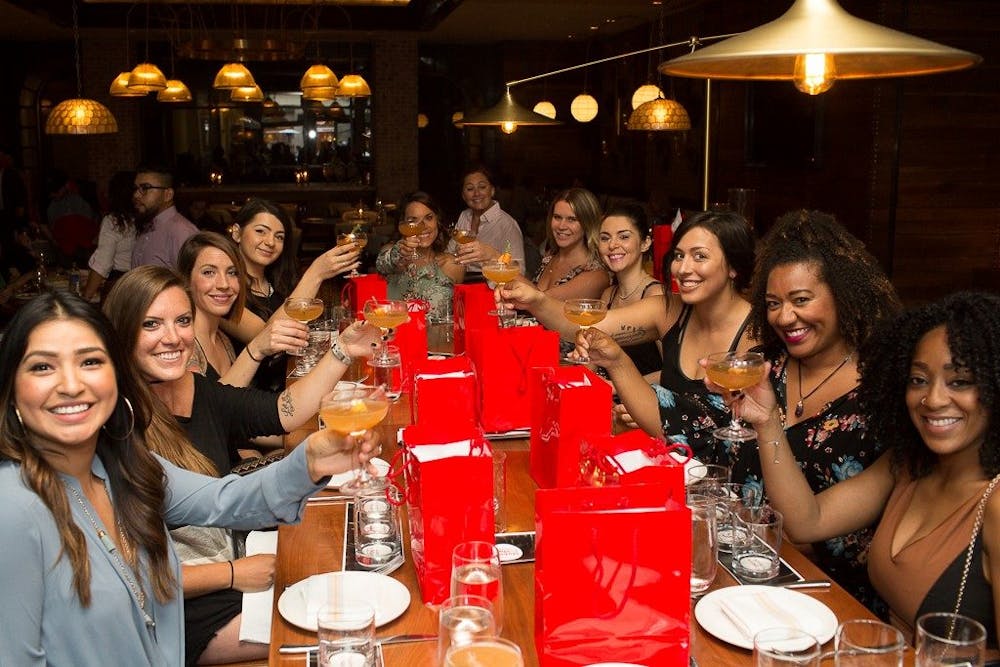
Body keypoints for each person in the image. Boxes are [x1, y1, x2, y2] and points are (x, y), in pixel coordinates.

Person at [0, 290, 379, 666]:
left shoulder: (119, 462)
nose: (70, 384)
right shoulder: (14, 507)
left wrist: (309, 461)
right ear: (12, 389)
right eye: (42, 367)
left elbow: (226, 499)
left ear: (115, 377)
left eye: (90, 362)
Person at [102, 266, 381, 663]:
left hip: (232, 556)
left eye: (182, 321)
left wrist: (341, 352)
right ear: (120, 334)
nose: (173, 337)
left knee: (344, 578)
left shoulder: (192, 387)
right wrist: (234, 573)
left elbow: (281, 415)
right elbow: (127, 576)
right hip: (180, 608)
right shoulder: (116, 427)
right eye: (151, 324)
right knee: (344, 624)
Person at [719, 291, 1000, 647]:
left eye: (959, 381)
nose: (933, 399)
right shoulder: (909, 466)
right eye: (918, 380)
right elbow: (808, 521)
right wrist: (766, 422)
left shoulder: (995, 503)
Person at [725, 208, 902, 615]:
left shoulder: (885, 392)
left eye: (801, 300)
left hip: (836, 603)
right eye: (773, 303)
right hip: (753, 575)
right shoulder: (766, 366)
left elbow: (809, 522)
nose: (785, 317)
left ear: (842, 294)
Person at [500, 209, 756, 462]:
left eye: (700, 256)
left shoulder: (756, 333)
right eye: (679, 256)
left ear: (733, 267)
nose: (683, 268)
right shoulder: (669, 310)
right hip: (673, 469)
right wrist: (536, 300)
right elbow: (588, 326)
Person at [222, 198, 361, 391]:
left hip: (294, 382)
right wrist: (316, 273)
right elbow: (266, 337)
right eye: (260, 231)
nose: (270, 242)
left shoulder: (278, 280)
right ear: (237, 233)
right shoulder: (222, 291)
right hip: (255, 397)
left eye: (279, 237)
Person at [176, 231, 307, 387]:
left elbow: (239, 403)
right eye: (209, 272)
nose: (224, 284)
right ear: (186, 280)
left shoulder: (223, 340)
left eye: (232, 273)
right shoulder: (181, 346)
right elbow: (207, 408)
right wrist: (256, 349)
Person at [596, 203, 664, 380]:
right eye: (605, 238)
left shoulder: (656, 295)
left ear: (645, 243)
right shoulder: (608, 294)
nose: (612, 245)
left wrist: (616, 387)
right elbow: (593, 356)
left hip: (644, 401)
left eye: (624, 237)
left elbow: (675, 372)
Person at [375, 191, 465, 320]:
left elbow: (458, 315)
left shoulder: (453, 265)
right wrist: (400, 253)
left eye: (429, 218)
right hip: (396, 337)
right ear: (402, 225)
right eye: (413, 220)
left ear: (437, 221)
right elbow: (383, 264)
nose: (423, 227)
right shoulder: (392, 252)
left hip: (438, 339)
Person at [531, 187, 610, 301]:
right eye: (557, 217)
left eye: (572, 219)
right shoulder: (550, 256)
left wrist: (500, 263)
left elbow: (540, 302)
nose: (561, 226)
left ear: (587, 223)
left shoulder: (596, 275)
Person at [452, 165, 525, 278]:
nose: (476, 193)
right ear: (463, 195)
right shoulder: (464, 216)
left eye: (482, 187)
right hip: (462, 282)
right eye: (470, 189)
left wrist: (492, 256)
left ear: (492, 191)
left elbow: (519, 271)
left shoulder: (507, 224)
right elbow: (450, 252)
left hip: (492, 287)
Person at [82, 170, 137, 302]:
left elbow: (103, 263)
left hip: (119, 286)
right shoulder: (145, 219)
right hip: (140, 285)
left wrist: (85, 299)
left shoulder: (114, 221)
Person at [130, 165, 198, 269]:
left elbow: (192, 281)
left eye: (145, 188)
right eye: (136, 188)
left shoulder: (181, 231)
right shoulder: (148, 226)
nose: (136, 195)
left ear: (168, 194)